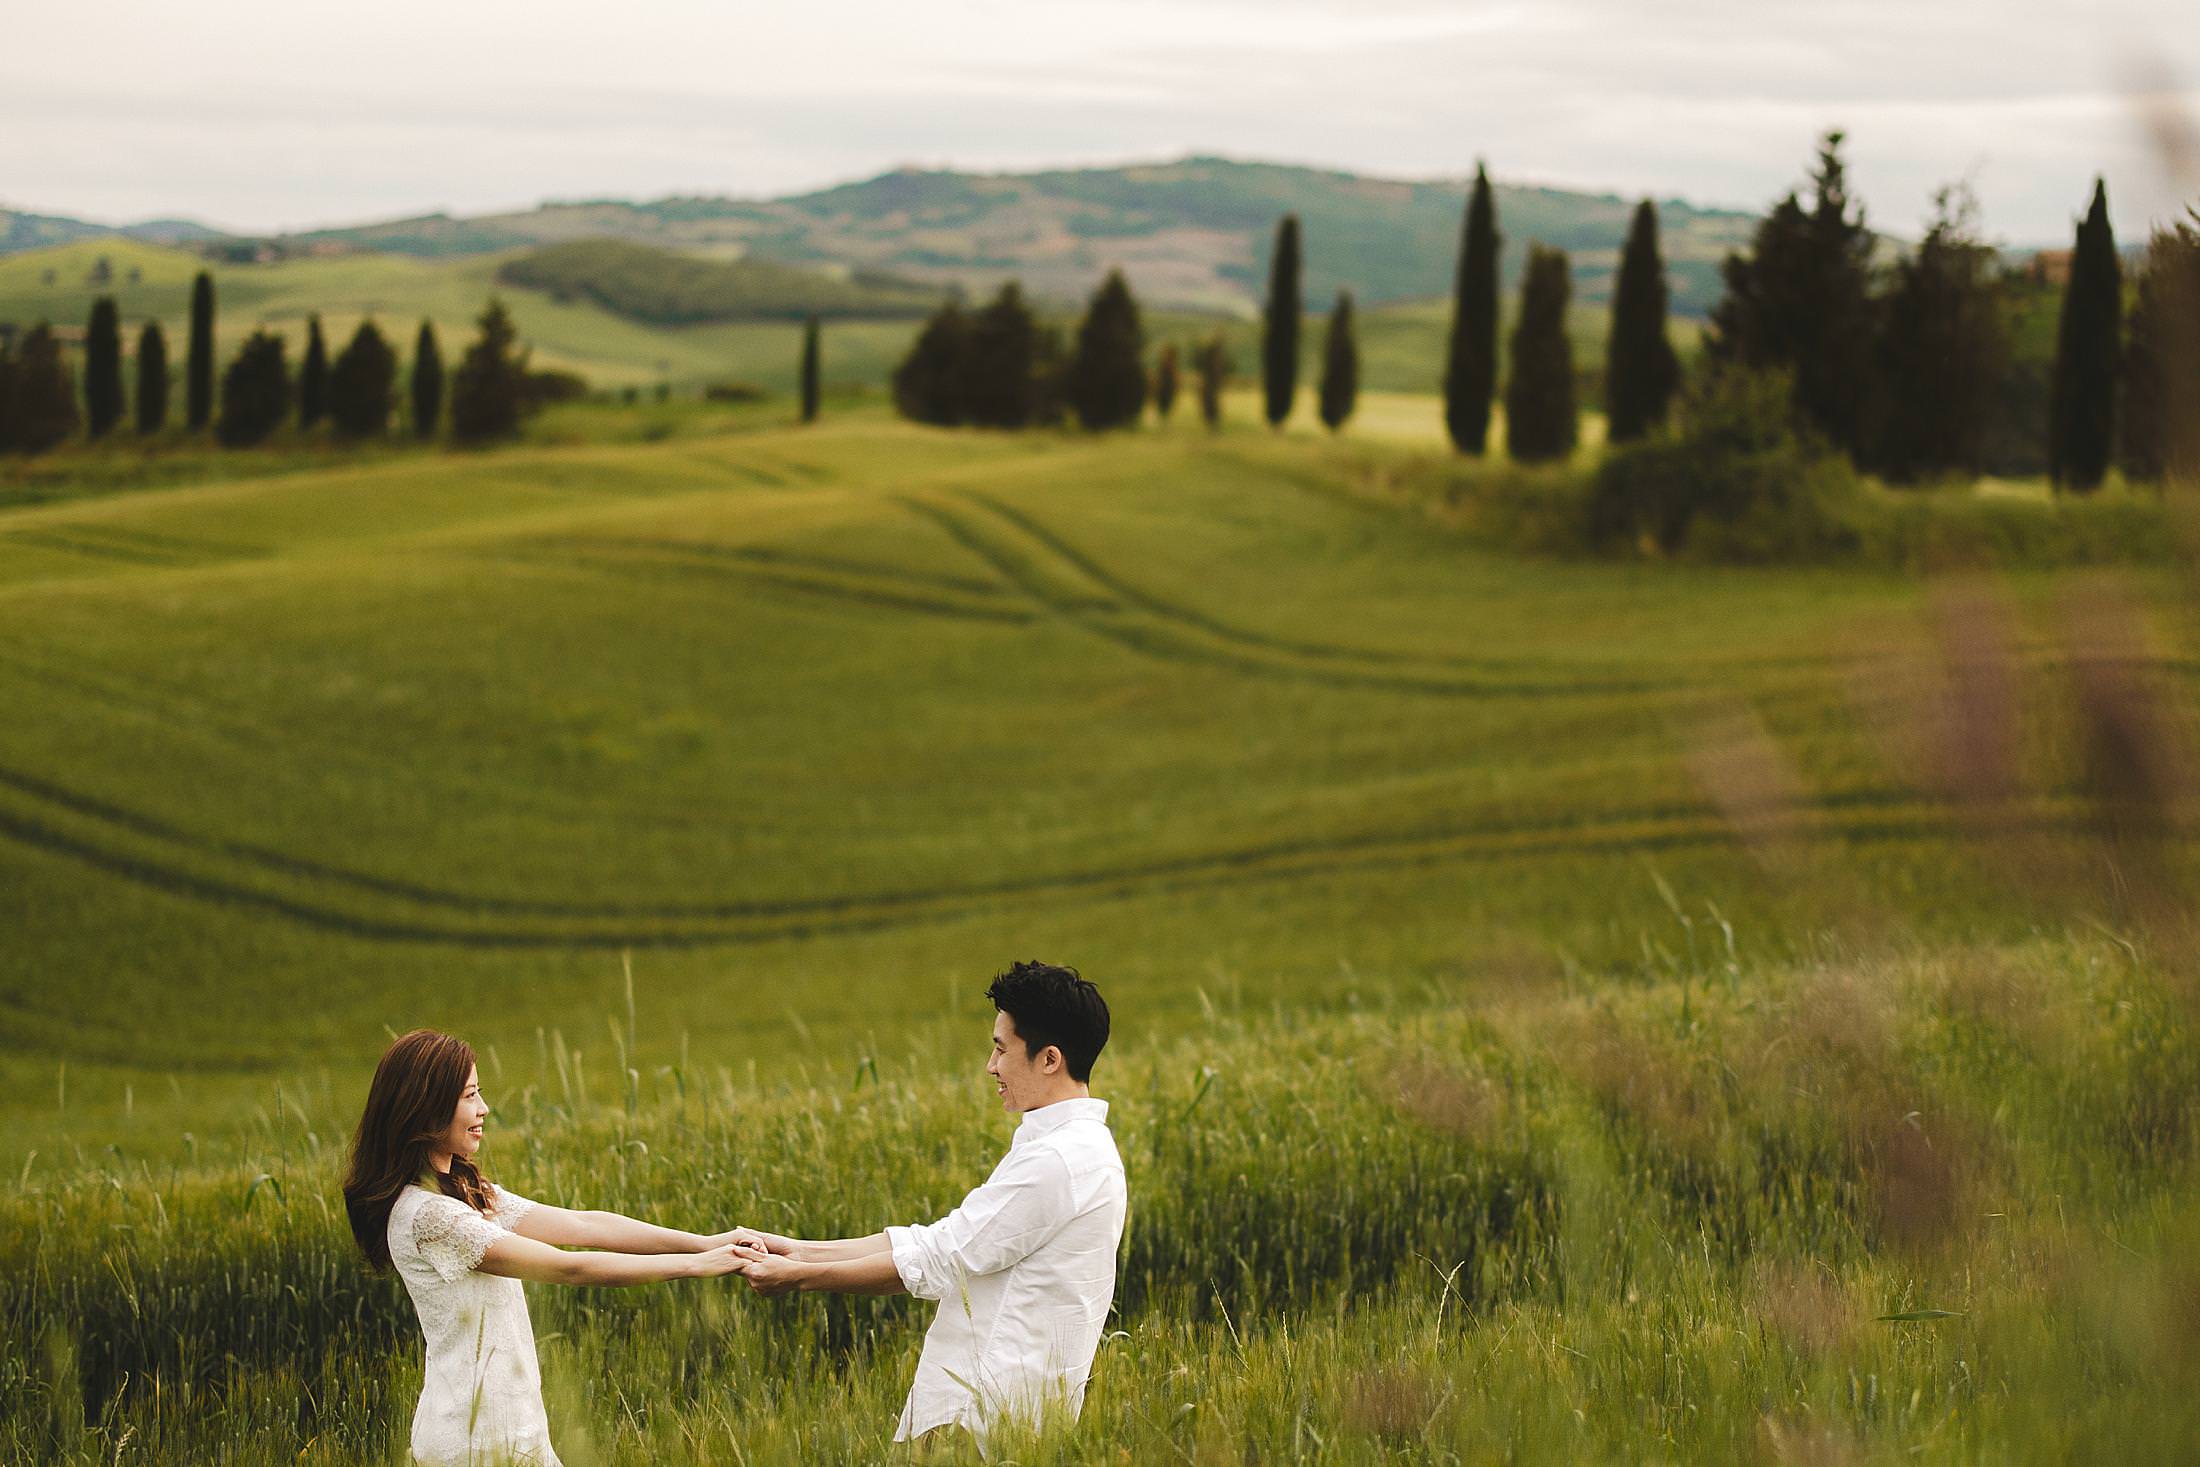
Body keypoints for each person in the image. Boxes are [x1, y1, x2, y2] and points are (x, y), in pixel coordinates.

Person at [738, 961, 1125, 1447]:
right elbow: (942, 1240)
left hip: (981, 1416)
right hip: (1002, 1411)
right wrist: (798, 1250)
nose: (991, 1065)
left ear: (1050, 1059)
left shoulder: (1059, 1160)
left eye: (1001, 1049)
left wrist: (800, 1276)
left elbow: (942, 1259)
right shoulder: (1075, 1148)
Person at [341, 1029, 755, 1466]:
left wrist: (706, 1242)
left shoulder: (462, 1191)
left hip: (514, 1429)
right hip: (472, 1441)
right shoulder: (430, 1217)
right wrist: (698, 1266)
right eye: (469, 1096)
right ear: (425, 1110)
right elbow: (566, 1267)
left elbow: (582, 1224)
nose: (483, 1109)